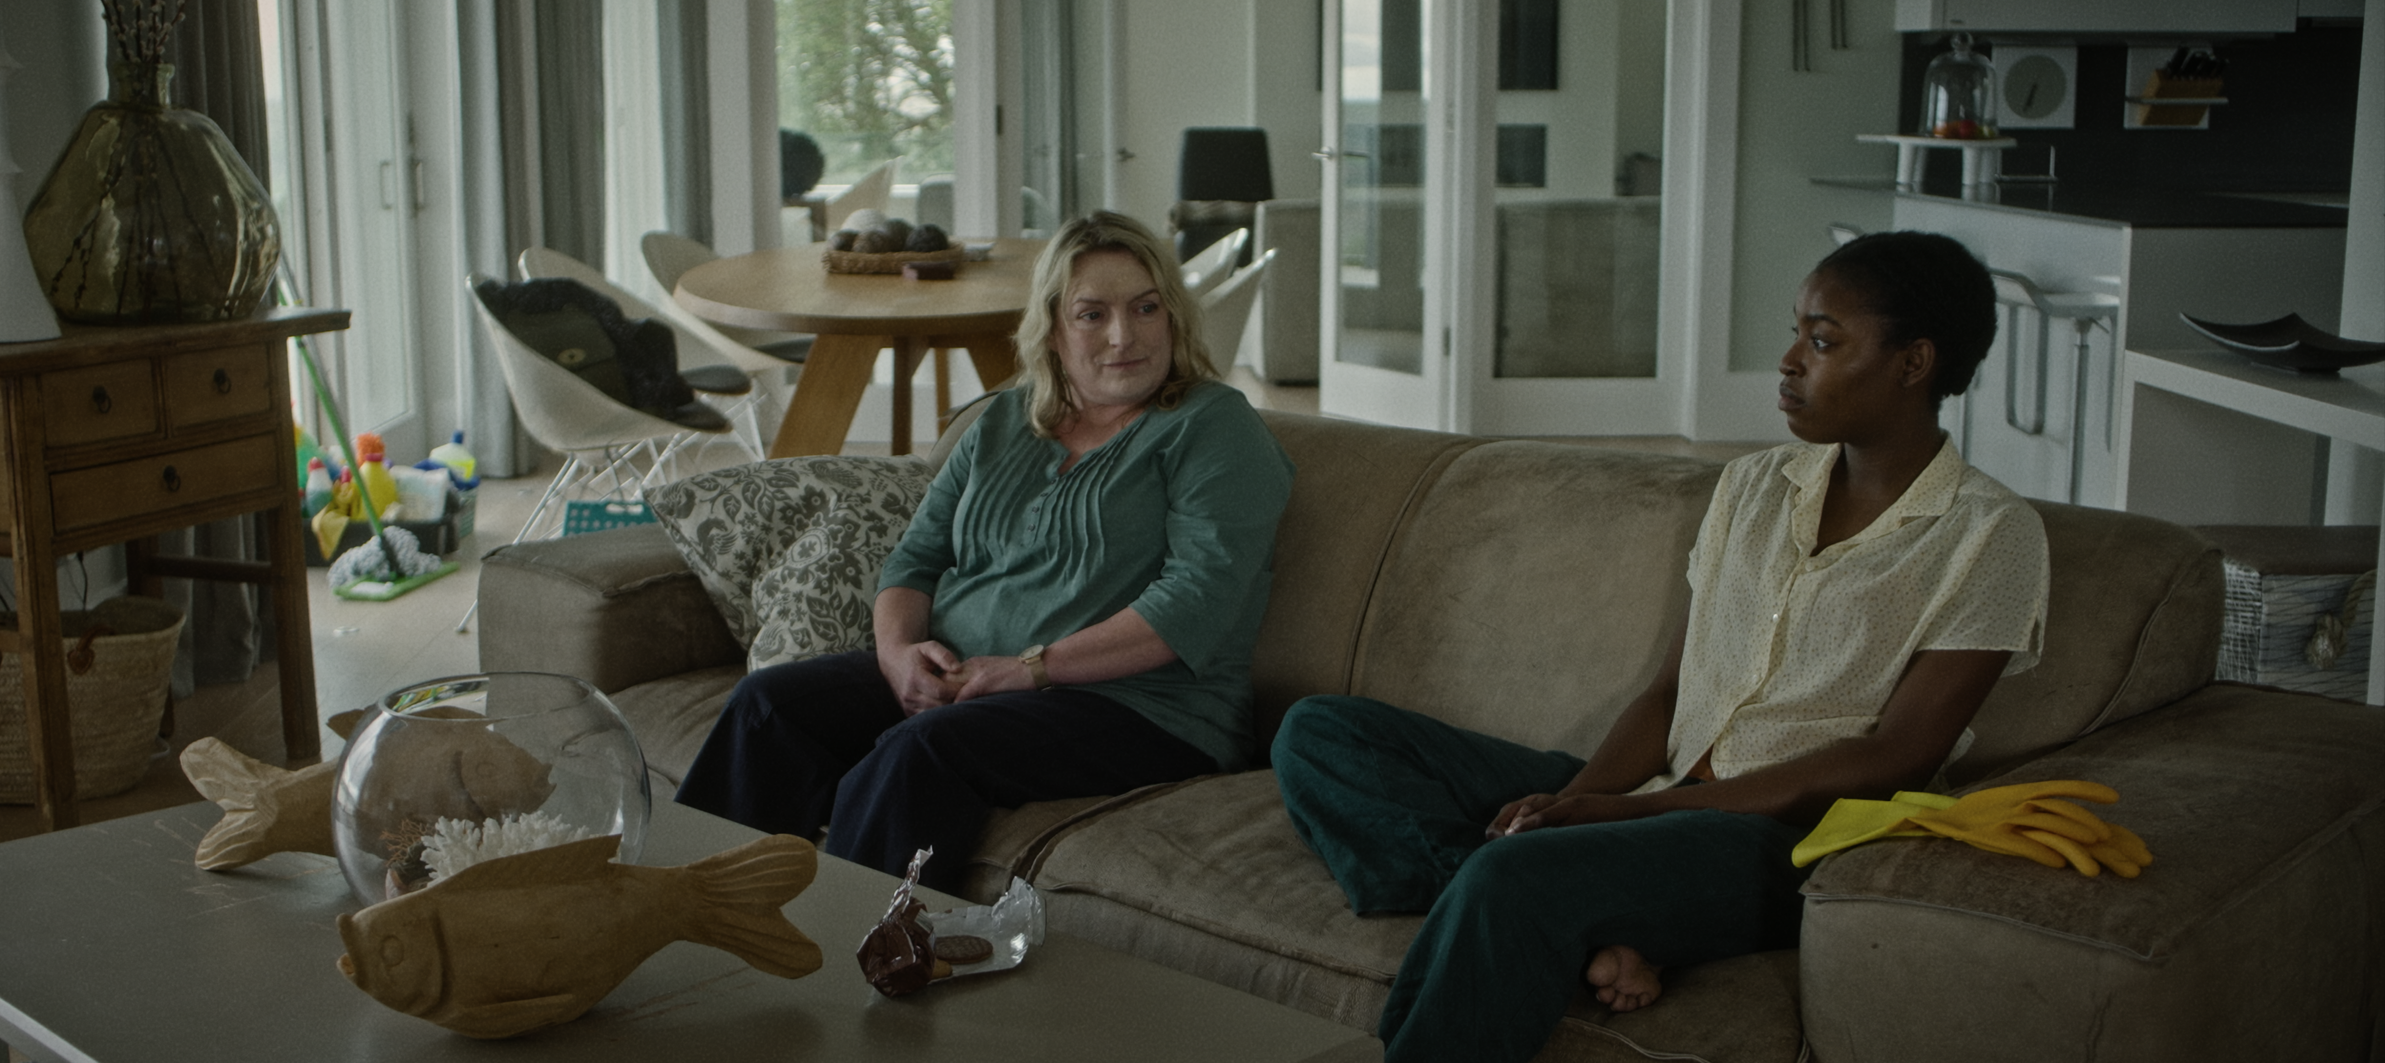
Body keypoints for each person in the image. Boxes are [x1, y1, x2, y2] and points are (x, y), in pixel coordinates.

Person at [1271, 231, 2049, 1063]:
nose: (1788, 360)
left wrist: (1623, 817)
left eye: (1822, 341)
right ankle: (1550, 909)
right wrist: (1569, 805)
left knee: (1514, 876)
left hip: (1789, 846)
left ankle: (1522, 898)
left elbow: (1897, 755)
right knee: (1321, 731)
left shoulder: (1990, 534)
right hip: (1664, 790)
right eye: (1795, 332)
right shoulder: (1753, 485)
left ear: (1913, 362)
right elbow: (1672, 691)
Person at [674, 211, 1296, 893]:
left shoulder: (1213, 427)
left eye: (1146, 308)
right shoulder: (1004, 419)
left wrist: (1029, 669)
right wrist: (898, 657)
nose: (1125, 335)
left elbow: (1195, 601)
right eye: (1093, 314)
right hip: (968, 678)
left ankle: (849, 953)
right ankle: (692, 919)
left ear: (1173, 316)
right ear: (1053, 330)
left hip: (1141, 708)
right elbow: (916, 557)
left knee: (919, 752)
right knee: (768, 708)